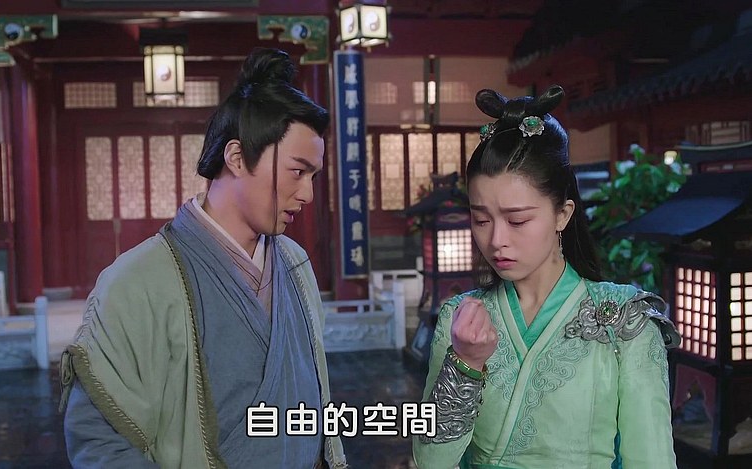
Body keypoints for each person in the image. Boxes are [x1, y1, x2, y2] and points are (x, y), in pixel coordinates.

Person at [59, 48, 348, 469]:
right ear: (236, 157)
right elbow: (101, 442)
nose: (307, 194)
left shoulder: (294, 263)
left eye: (314, 176)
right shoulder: (137, 281)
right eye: (297, 172)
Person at [412, 85, 680, 468]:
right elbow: (430, 461)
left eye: (518, 220)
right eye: (481, 220)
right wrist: (466, 363)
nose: (496, 240)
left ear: (562, 214)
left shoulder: (624, 321)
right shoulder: (460, 318)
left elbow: (651, 460)